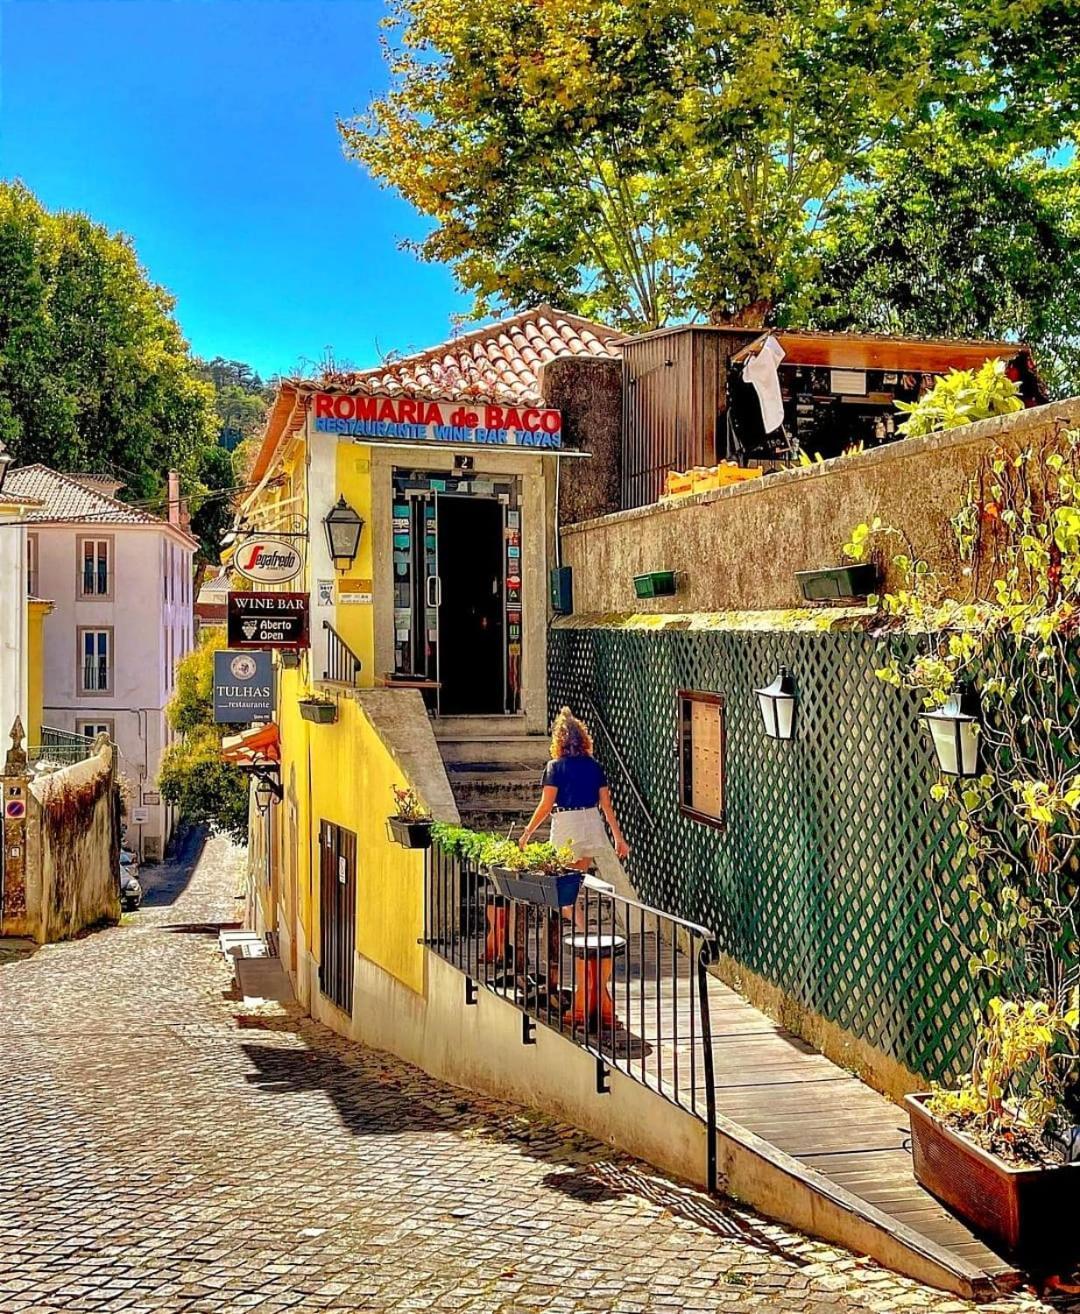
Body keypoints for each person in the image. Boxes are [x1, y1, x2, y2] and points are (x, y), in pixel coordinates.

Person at [519, 706, 630, 889]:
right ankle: (577, 918)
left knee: (562, 887)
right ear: (583, 740)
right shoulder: (595, 766)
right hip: (591, 821)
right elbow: (607, 805)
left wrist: (527, 833)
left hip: (568, 824)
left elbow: (546, 806)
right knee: (574, 884)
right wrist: (619, 839)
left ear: (558, 741)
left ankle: (576, 918)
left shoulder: (555, 766)